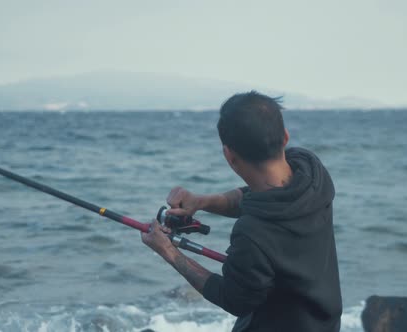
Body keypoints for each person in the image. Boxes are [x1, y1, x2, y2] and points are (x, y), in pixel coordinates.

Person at [141, 91, 342, 331]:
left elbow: (233, 298)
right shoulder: (312, 171)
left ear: (229, 156)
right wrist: (201, 201)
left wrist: (169, 252)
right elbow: (259, 198)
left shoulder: (253, 233)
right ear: (285, 137)